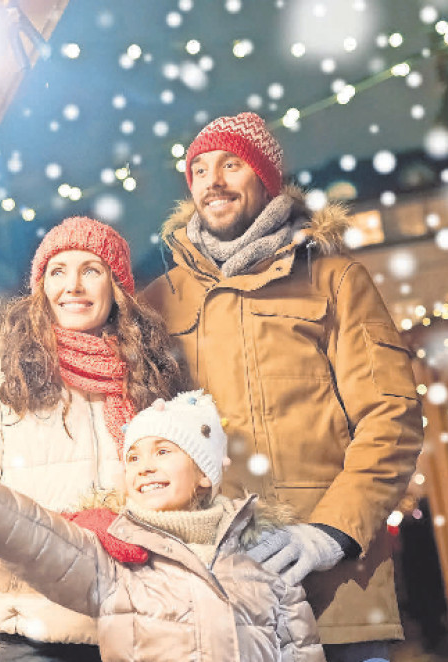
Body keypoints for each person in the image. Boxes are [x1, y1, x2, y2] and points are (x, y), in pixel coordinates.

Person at [140, 112, 424, 661]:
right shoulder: (158, 302)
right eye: (198, 169)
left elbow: (391, 418)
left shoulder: (336, 280)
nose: (212, 180)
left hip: (336, 593)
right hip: (218, 596)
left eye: (230, 164)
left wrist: (329, 534)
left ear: (266, 178)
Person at [0, 216, 188, 662]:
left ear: (117, 288)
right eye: (58, 271)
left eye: (91, 270)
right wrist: (66, 545)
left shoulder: (151, 380)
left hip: (141, 634)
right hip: (34, 637)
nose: (73, 285)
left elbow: (185, 504)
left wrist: (141, 535)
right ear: (41, 288)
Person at [0, 390, 325, 662]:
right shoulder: (120, 558)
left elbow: (300, 649)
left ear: (205, 472)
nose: (144, 465)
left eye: (163, 451)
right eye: (132, 457)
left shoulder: (263, 557)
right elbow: (42, 541)